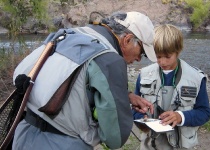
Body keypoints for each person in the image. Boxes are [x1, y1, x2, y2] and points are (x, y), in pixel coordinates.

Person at [12, 11, 156, 150]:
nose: (138, 59)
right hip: (63, 144)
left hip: (22, 133)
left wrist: (126, 95)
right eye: (142, 53)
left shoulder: (71, 33)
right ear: (128, 40)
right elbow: (115, 137)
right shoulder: (111, 60)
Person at [133, 24, 210, 150]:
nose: (162, 62)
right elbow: (134, 109)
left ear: (178, 51)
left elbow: (205, 113)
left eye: (168, 56)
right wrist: (142, 120)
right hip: (150, 145)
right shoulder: (143, 75)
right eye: (158, 56)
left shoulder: (196, 78)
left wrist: (181, 117)